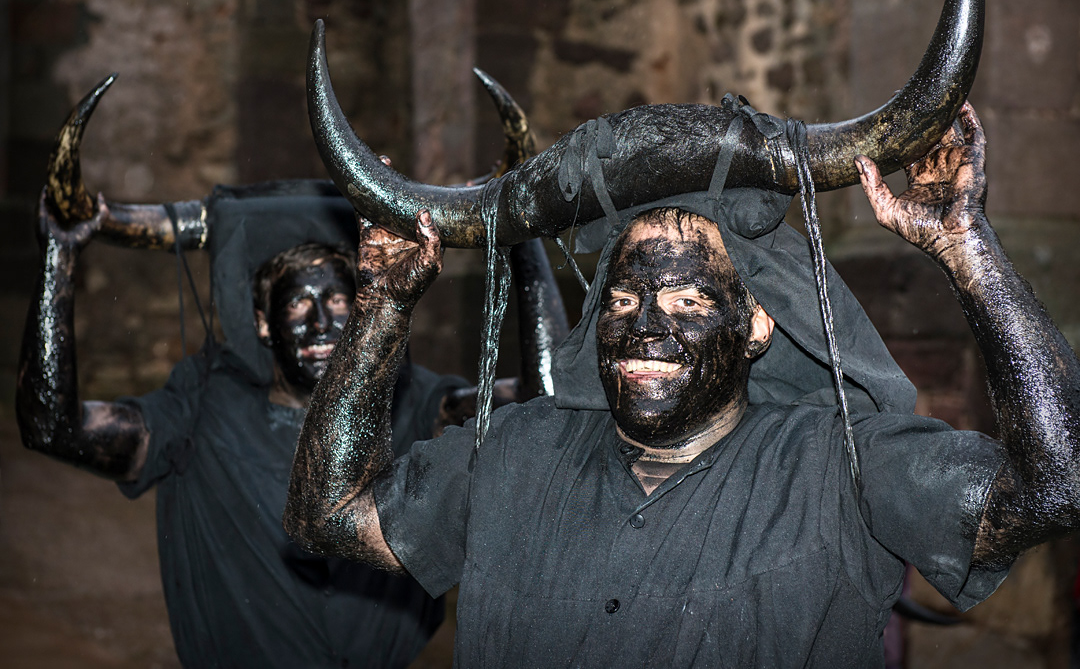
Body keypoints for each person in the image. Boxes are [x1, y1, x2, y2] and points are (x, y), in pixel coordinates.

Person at [283, 103, 1080, 667]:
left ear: (757, 324)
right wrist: (384, 304)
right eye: (623, 299)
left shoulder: (843, 465)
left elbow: (1053, 489)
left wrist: (966, 246)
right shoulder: (516, 453)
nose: (646, 326)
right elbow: (326, 516)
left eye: (690, 301)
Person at [16, 179, 561, 668]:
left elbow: (549, 402)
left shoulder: (413, 398)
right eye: (299, 303)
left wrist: (520, 235)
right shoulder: (201, 409)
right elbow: (52, 428)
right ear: (263, 322)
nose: (323, 321)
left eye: (339, 299)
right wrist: (59, 257)